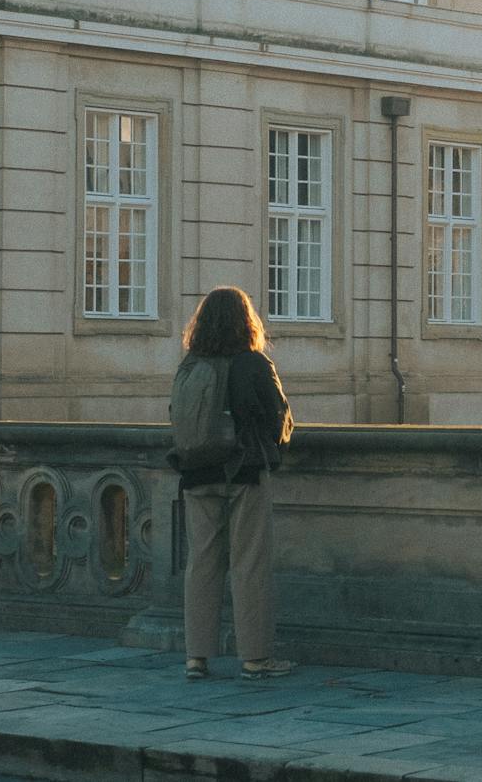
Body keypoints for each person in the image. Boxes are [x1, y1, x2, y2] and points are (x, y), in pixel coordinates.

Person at [175, 286, 295, 680]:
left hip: (197, 473)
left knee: (202, 564)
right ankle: (255, 658)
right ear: (248, 322)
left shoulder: (191, 364)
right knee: (249, 564)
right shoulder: (254, 363)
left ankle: (196, 657)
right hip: (244, 473)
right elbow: (279, 423)